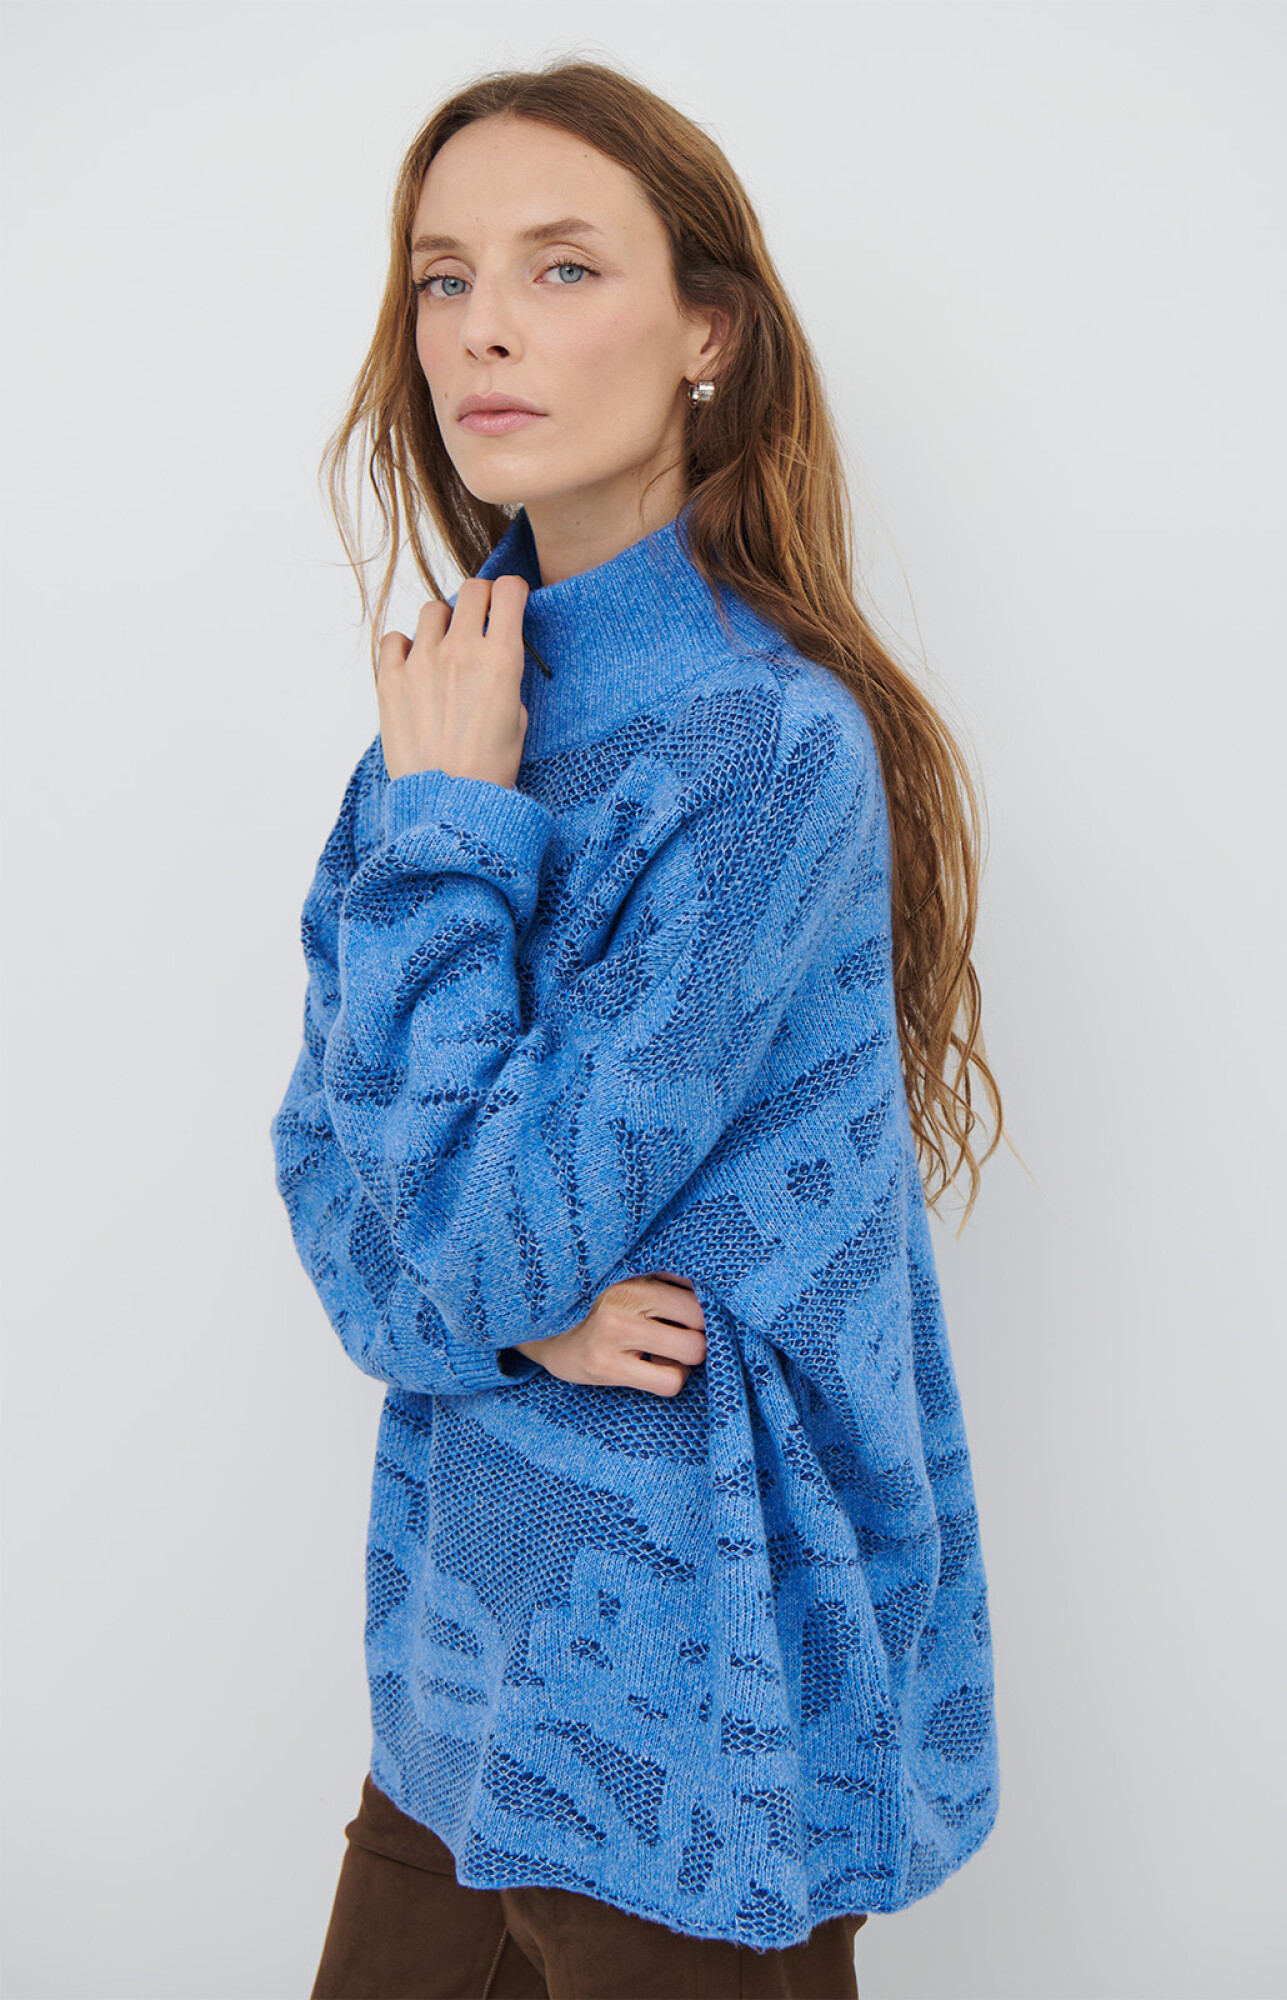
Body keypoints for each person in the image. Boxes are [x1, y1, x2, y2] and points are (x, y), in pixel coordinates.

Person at [270, 54, 1007, 2000]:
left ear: (708, 333)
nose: (479, 326)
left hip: (691, 1689)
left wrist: (449, 830)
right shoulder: (454, 704)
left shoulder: (758, 750)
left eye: (561, 266)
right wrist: (510, 1326)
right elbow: (327, 1176)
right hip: (457, 1662)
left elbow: (481, 1221)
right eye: (442, 277)